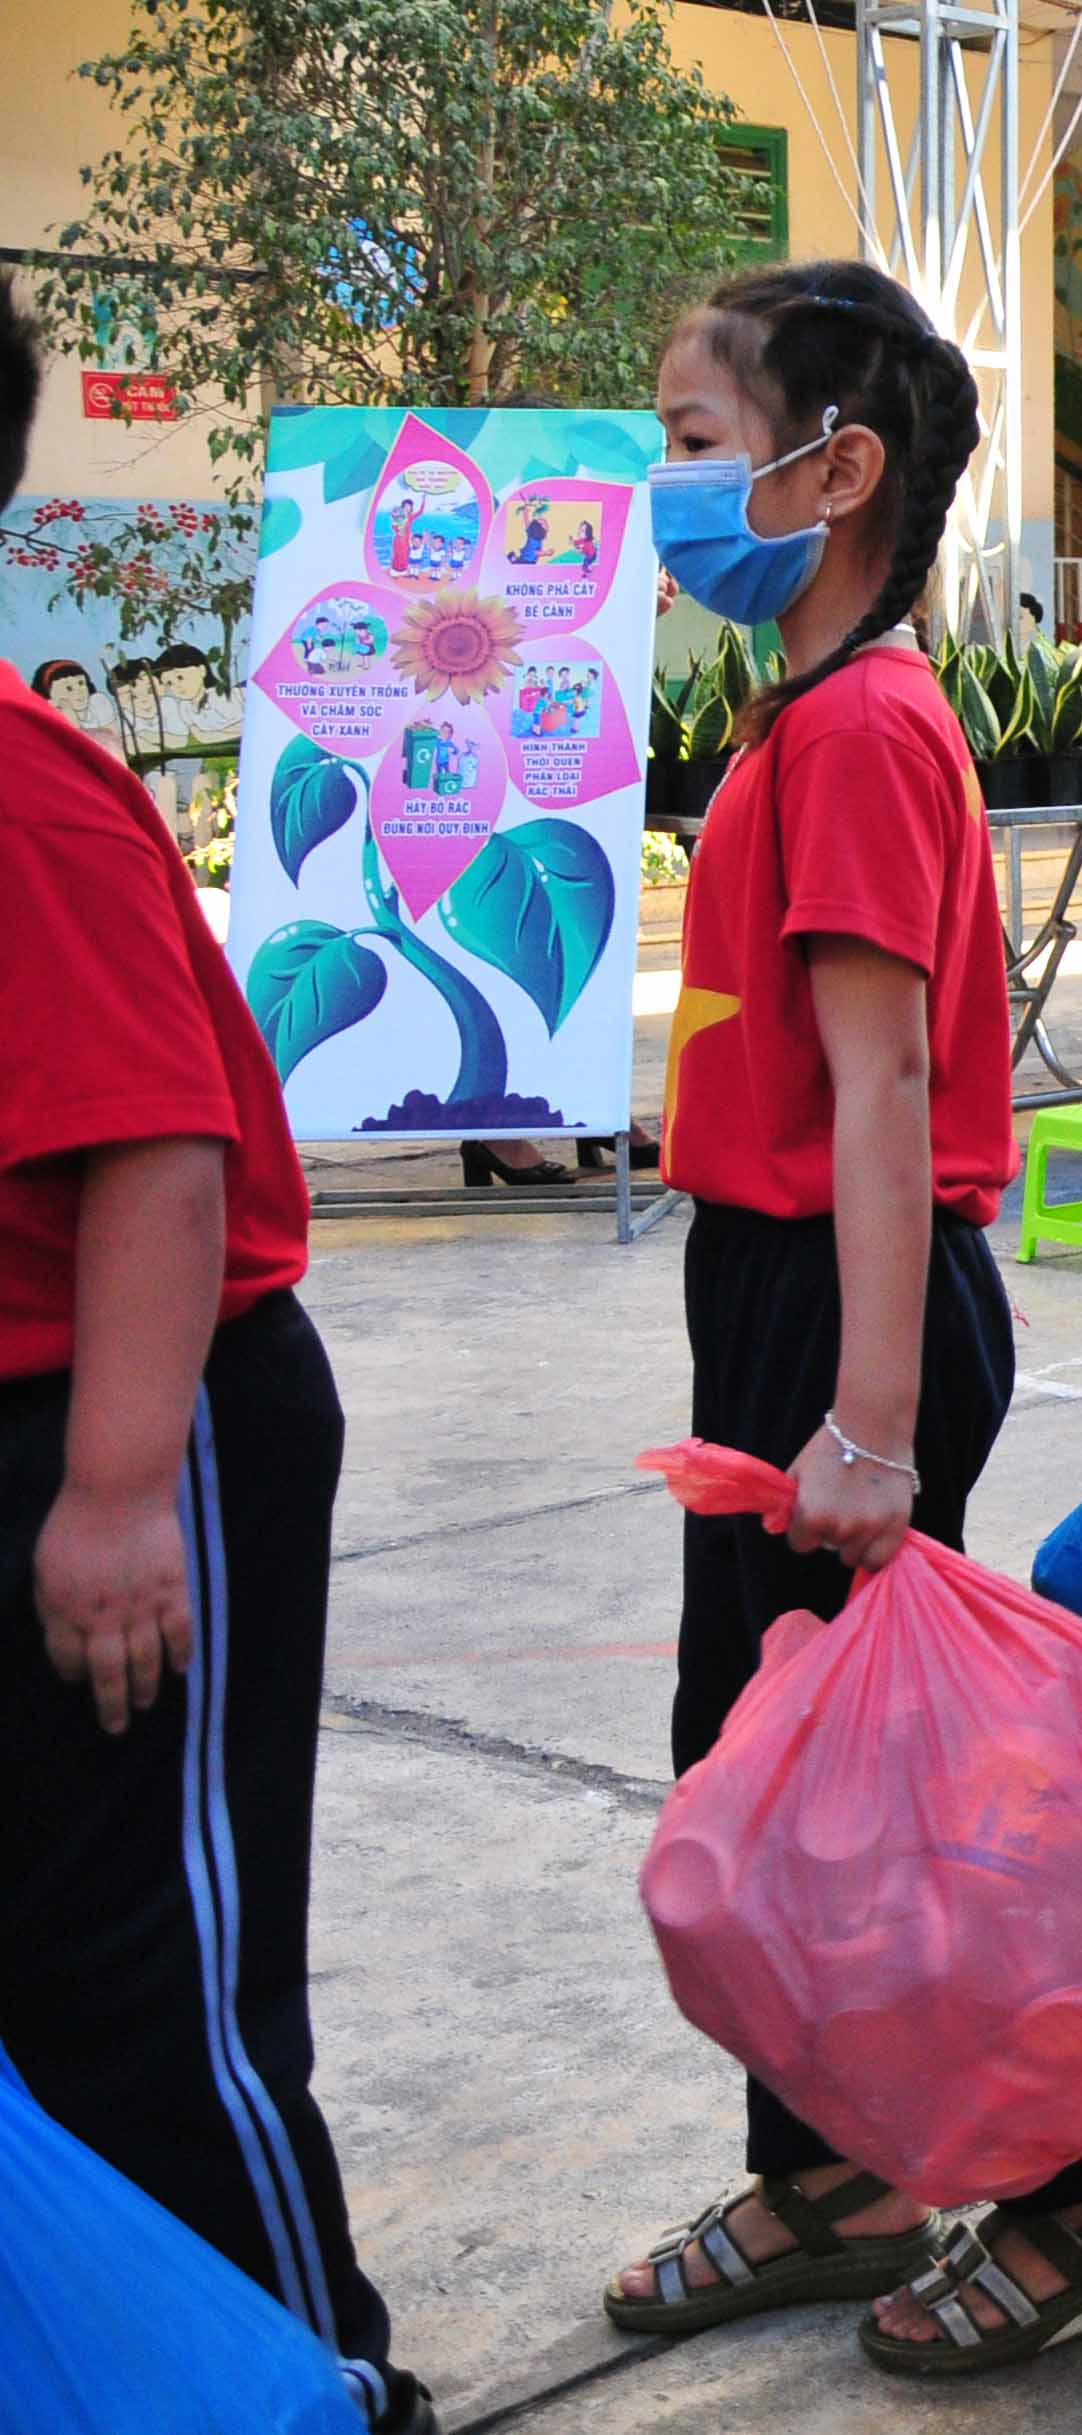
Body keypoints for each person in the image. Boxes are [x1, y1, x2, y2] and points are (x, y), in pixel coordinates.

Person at [603, 259, 1082, 2381]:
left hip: (852, 1311)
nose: (666, 485)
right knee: (765, 1776)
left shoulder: (858, 729)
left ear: (837, 471)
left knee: (878, 1798)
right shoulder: (811, 712)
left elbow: (888, 1089)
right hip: (789, 1290)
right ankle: (834, 2170)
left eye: (689, 438)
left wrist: (868, 1417)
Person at [0, 273, 442, 2435]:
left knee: (148, 1985)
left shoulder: (22, 795)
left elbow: (157, 1158)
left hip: (128, 1418)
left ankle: (309, 2376)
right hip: (62, 1407)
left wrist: (105, 1494)